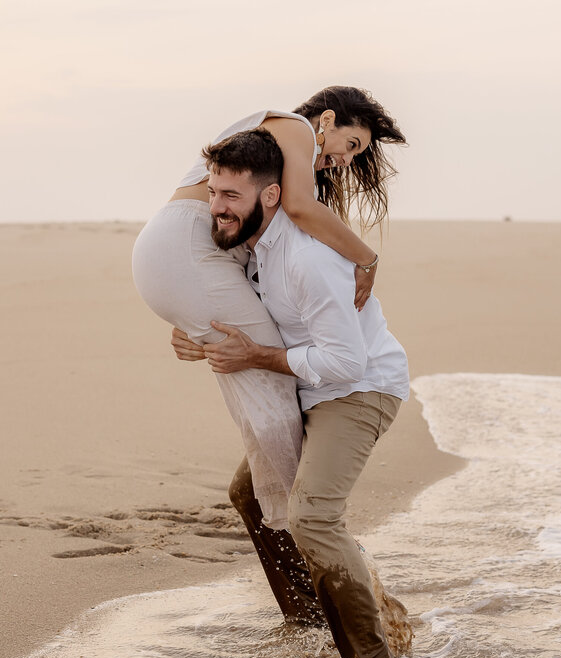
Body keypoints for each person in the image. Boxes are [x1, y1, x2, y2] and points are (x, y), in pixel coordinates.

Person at [170, 128, 410, 658]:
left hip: (360, 389)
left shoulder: (307, 260)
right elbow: (224, 310)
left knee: (314, 517)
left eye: (231, 196)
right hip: (305, 386)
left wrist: (257, 355)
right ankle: (310, 623)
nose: (216, 208)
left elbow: (345, 362)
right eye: (213, 193)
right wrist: (188, 337)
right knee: (250, 494)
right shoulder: (247, 250)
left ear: (271, 196)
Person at [131, 87, 405, 531]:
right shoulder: (295, 127)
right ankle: (300, 527)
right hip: (189, 248)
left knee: (258, 381)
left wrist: (192, 322)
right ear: (327, 120)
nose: (347, 161)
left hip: (178, 252)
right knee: (270, 391)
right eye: (351, 145)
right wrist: (367, 259)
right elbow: (299, 207)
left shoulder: (274, 156)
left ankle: (296, 533)